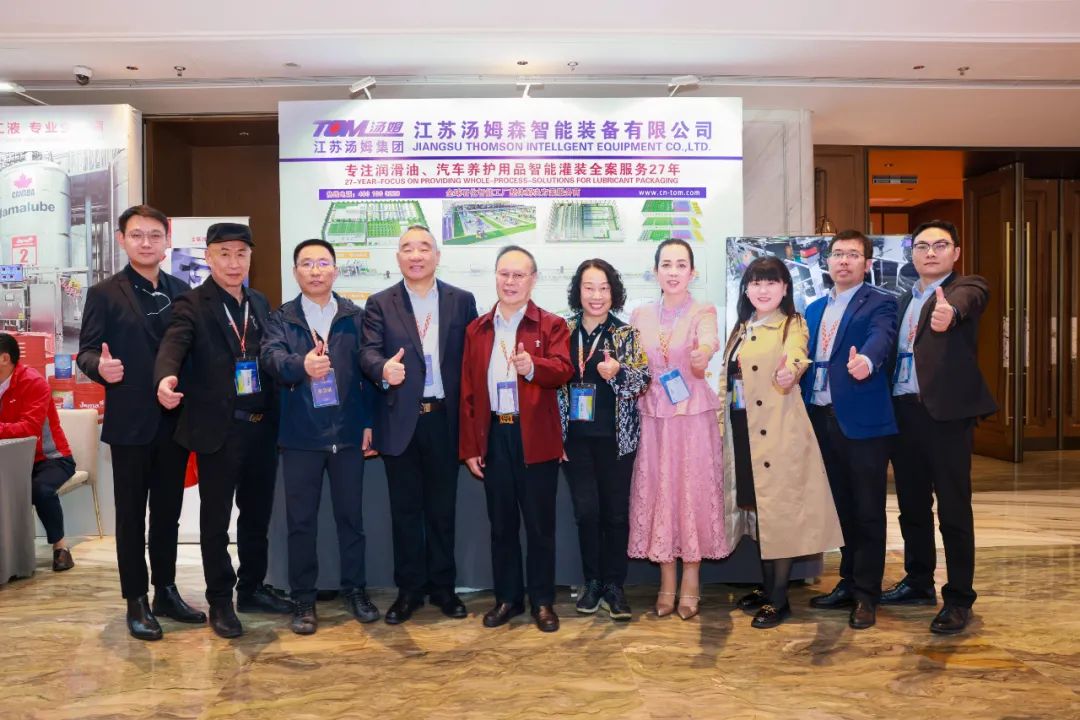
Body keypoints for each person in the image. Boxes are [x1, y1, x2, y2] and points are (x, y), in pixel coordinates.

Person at [154, 222, 293, 639]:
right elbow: (174, 344)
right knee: (215, 521)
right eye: (225, 254)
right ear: (209, 257)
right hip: (219, 431)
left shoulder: (259, 301)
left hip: (261, 428)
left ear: (250, 258)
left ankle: (252, 588)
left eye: (241, 254)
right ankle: (220, 599)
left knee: (256, 515)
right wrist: (165, 377)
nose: (234, 263)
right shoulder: (191, 303)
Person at [77, 204, 206, 641]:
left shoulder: (184, 291)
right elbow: (86, 351)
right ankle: (136, 599)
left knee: (168, 513)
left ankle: (166, 590)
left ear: (167, 240)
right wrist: (99, 368)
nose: (146, 242)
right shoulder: (104, 293)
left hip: (175, 419)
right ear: (122, 239)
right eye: (137, 235)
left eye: (154, 235)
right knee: (131, 516)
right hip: (130, 422)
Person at [882, 219, 996, 635]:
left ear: (955, 253)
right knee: (912, 505)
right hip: (903, 413)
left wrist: (950, 312)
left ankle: (959, 598)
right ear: (912, 254)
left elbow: (969, 300)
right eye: (922, 246)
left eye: (940, 245)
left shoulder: (966, 287)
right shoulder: (901, 300)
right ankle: (918, 581)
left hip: (944, 416)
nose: (930, 252)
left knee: (953, 509)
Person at [359, 225, 477, 625]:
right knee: (405, 512)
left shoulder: (461, 300)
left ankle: (443, 588)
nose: (416, 255)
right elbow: (367, 352)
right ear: (398, 258)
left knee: (443, 511)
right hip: (400, 421)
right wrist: (382, 369)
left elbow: (472, 361)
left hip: (444, 420)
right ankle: (408, 591)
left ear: (437, 256)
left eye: (424, 248)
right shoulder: (380, 303)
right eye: (407, 248)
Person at [261, 238, 380, 635]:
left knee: (351, 519)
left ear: (335, 270)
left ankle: (356, 591)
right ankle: (303, 599)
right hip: (300, 436)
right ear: (295, 271)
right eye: (307, 263)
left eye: (323, 263)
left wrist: (368, 422)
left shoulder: (355, 317)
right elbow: (271, 358)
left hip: (346, 435)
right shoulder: (282, 318)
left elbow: (367, 372)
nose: (315, 270)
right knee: (301, 523)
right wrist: (301, 365)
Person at [721, 256, 844, 629]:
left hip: (777, 434)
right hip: (744, 432)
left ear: (785, 288)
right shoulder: (742, 327)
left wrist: (791, 371)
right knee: (761, 511)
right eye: (756, 283)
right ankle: (767, 587)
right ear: (746, 289)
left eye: (771, 282)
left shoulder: (792, 324)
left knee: (780, 513)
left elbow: (797, 355)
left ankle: (779, 599)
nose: (763, 290)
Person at [459, 245, 572, 633]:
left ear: (533, 280)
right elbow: (468, 391)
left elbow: (563, 370)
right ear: (495, 277)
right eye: (504, 274)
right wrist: (470, 447)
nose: (510, 282)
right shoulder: (477, 329)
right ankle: (507, 598)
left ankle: (542, 601)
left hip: (535, 437)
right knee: (501, 525)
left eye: (518, 275)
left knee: (540, 527)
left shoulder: (551, 325)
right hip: (494, 434)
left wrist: (532, 366)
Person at [628, 238, 731, 621]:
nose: (673, 272)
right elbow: (633, 363)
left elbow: (709, 341)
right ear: (655, 271)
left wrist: (703, 354)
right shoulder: (640, 314)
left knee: (691, 491)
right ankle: (666, 580)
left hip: (692, 417)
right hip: (654, 416)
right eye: (666, 265)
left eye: (681, 265)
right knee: (660, 492)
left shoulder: (704, 310)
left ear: (692, 272)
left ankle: (691, 578)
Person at [800, 230, 898, 630]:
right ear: (827, 262)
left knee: (868, 510)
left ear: (867, 263)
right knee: (840, 508)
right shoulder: (814, 308)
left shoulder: (881, 302)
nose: (844, 261)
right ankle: (847, 581)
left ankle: (866, 594)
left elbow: (882, 338)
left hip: (863, 423)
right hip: (821, 419)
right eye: (838, 254)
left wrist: (867, 361)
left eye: (853, 255)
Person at [557, 259, 649, 622]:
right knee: (586, 513)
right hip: (574, 440)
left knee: (615, 514)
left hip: (616, 441)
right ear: (578, 291)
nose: (596, 296)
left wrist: (618, 372)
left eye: (604, 288)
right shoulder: (562, 330)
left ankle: (614, 585)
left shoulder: (625, 334)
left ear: (614, 292)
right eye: (589, 287)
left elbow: (642, 381)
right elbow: (551, 384)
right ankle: (592, 582)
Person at [0, 333, 77, 571]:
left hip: (51, 459)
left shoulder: (34, 383)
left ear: (4, 358)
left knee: (39, 489)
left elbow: (29, 429)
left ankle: (60, 547)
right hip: (10, 459)